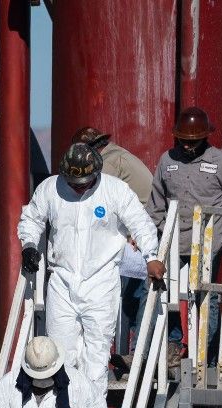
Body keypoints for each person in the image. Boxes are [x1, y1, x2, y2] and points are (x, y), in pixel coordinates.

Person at [18, 142, 160, 393]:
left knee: (96, 354)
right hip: (62, 279)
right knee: (61, 351)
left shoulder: (115, 191)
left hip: (101, 282)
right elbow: (32, 218)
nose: (79, 187)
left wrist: (152, 257)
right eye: (74, 182)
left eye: (84, 182)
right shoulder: (51, 189)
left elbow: (141, 224)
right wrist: (29, 244)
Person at [147, 107, 222, 358]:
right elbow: (155, 204)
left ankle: (206, 356)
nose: (189, 146)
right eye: (185, 141)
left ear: (205, 137)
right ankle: (172, 345)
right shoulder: (167, 161)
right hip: (173, 242)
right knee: (163, 292)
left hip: (209, 243)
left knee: (205, 297)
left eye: (194, 141)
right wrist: (163, 231)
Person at [73, 126, 155, 360]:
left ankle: (138, 352)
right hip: (138, 226)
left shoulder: (108, 164)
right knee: (132, 291)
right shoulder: (115, 155)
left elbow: (96, 200)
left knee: (136, 290)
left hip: (139, 230)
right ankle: (132, 350)